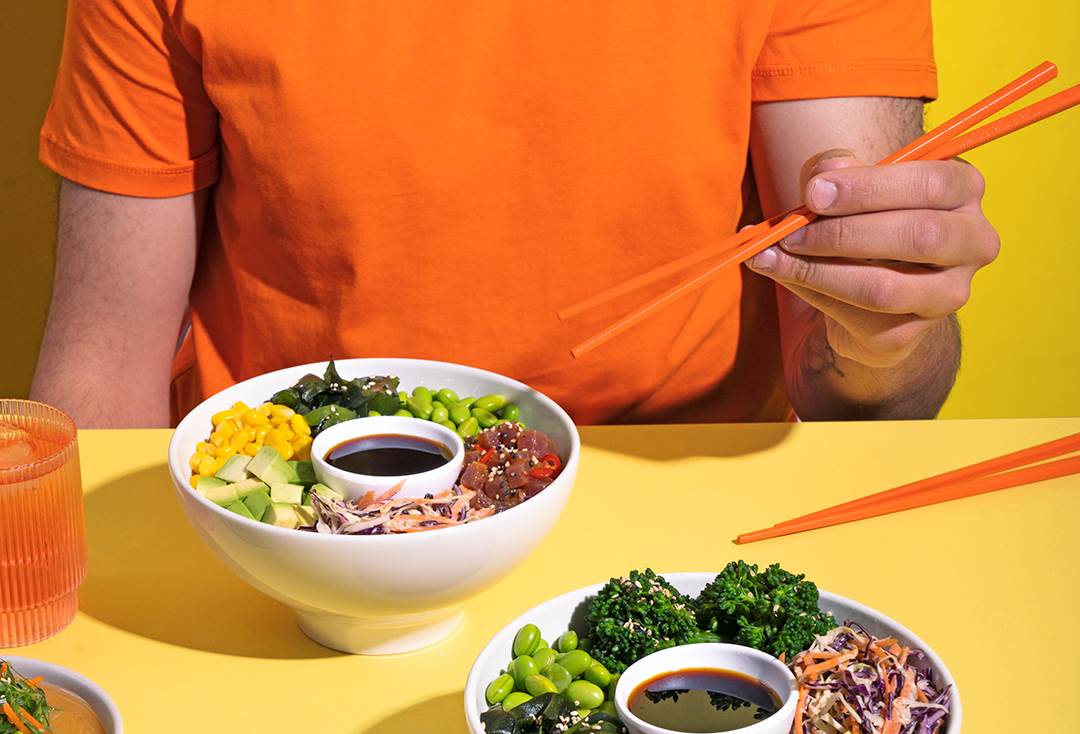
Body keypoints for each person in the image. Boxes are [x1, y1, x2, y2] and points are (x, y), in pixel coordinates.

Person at [31, 0, 1000, 428]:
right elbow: (101, 374)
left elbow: (865, 391)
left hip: (680, 535)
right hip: (290, 508)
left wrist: (884, 339)